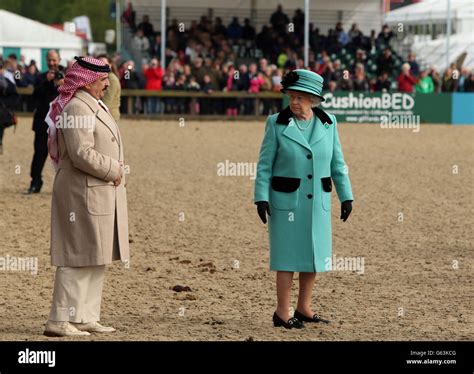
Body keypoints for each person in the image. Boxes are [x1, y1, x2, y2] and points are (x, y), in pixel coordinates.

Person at [254, 69, 354, 329]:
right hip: (285, 201)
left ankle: (304, 307)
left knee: (313, 256)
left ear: (314, 99)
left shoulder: (329, 123)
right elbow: (264, 165)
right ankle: (281, 311)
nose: (294, 102)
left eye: (301, 97)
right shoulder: (276, 123)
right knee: (286, 258)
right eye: (291, 96)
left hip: (318, 202)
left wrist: (346, 197)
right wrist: (260, 198)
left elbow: (338, 164)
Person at [43, 56, 129, 337]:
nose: (108, 83)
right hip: (81, 190)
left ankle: (84, 316)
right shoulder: (77, 107)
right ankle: (59, 320)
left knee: (96, 254)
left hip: (97, 190)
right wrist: (113, 169)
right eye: (104, 79)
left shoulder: (92, 103)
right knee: (76, 255)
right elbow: (81, 154)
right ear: (90, 80)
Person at [27, 49, 65, 194]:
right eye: (49, 60)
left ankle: (64, 186)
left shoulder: (66, 76)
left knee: (64, 155)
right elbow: (34, 97)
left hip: (62, 122)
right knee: (39, 153)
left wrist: (63, 83)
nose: (52, 63)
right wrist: (46, 82)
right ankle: (35, 182)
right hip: (42, 122)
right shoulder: (40, 77)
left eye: (54, 60)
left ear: (59, 60)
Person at [97, 54, 121, 121]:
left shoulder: (112, 79)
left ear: (110, 65)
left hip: (110, 115)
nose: (101, 65)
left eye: (104, 63)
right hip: (105, 114)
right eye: (98, 63)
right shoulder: (101, 78)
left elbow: (107, 101)